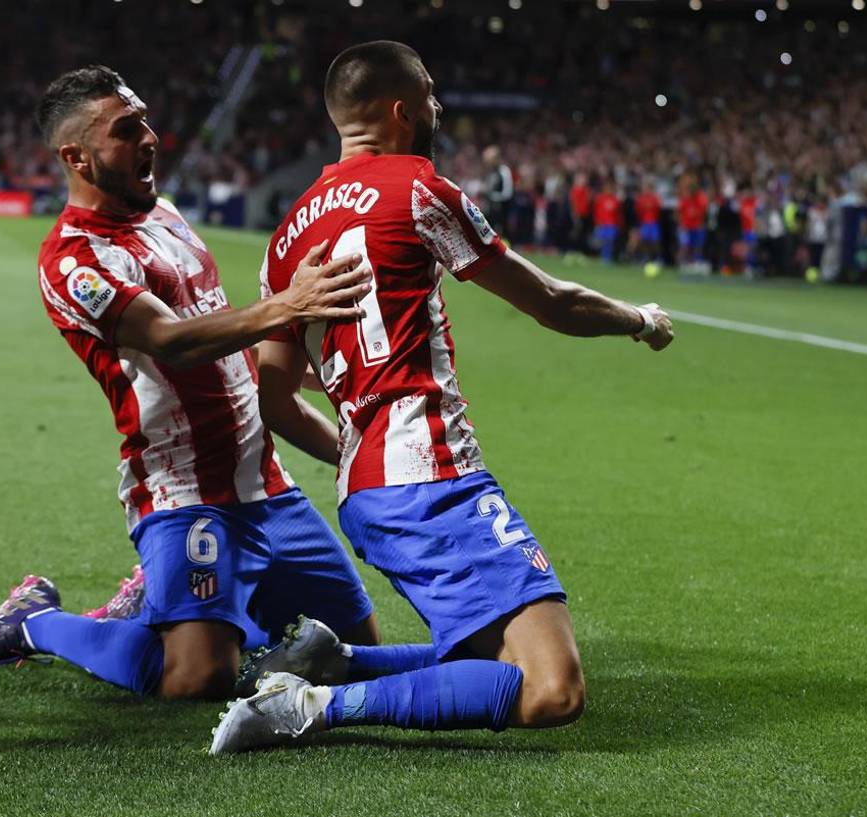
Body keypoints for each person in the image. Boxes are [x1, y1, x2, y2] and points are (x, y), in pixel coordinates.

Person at [208, 40, 673, 754]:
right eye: (430, 93)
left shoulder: (285, 235)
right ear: (402, 110)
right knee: (552, 688)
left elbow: (273, 403)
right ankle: (312, 704)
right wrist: (639, 320)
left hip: (366, 491)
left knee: (499, 665)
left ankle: (337, 661)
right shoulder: (418, 186)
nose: (438, 106)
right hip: (434, 480)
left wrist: (364, 457)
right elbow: (550, 302)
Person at [0, 65, 382, 701]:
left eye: (145, 119)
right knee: (199, 679)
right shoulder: (75, 261)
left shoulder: (167, 216)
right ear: (77, 157)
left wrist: (309, 376)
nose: (150, 137)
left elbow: (222, 329)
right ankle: (36, 622)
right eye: (127, 130)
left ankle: (170, 605)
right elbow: (175, 343)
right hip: (182, 493)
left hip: (266, 483)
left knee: (354, 649)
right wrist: (292, 303)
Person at [591, 179, 622, 262]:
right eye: (607, 188)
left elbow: (618, 214)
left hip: (612, 224)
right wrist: (597, 222)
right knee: (603, 241)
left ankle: (608, 257)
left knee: (610, 241)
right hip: (602, 224)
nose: (609, 190)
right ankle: (603, 256)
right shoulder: (600, 199)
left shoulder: (615, 200)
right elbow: (597, 211)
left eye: (610, 189)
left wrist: (618, 224)